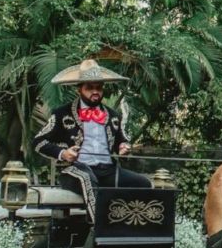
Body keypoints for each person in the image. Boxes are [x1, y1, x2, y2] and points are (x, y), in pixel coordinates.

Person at [32, 59, 152, 217]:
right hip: (75, 170)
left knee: (143, 183)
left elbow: (122, 141)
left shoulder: (113, 115)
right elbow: (38, 142)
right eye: (89, 88)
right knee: (86, 179)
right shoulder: (62, 114)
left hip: (108, 170)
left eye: (98, 87)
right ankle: (100, 227)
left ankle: (132, 226)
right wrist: (63, 153)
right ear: (79, 89)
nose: (95, 91)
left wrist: (124, 147)